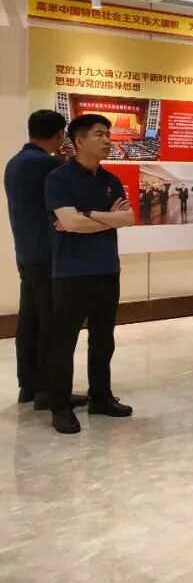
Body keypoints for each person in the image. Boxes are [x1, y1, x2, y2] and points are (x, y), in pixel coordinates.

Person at [44, 114, 136, 434]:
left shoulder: (111, 179)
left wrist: (87, 215)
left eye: (108, 133)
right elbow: (69, 223)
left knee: (103, 339)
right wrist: (107, 218)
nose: (108, 139)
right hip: (71, 272)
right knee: (64, 341)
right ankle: (60, 406)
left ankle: (100, 397)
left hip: (107, 269)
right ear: (80, 141)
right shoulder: (58, 178)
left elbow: (128, 219)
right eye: (100, 134)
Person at [4, 110, 82, 411]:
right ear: (61, 134)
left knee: (30, 321)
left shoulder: (16, 162)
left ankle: (29, 384)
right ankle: (50, 390)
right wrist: (66, 161)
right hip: (48, 255)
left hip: (27, 254)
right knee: (53, 323)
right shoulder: (46, 165)